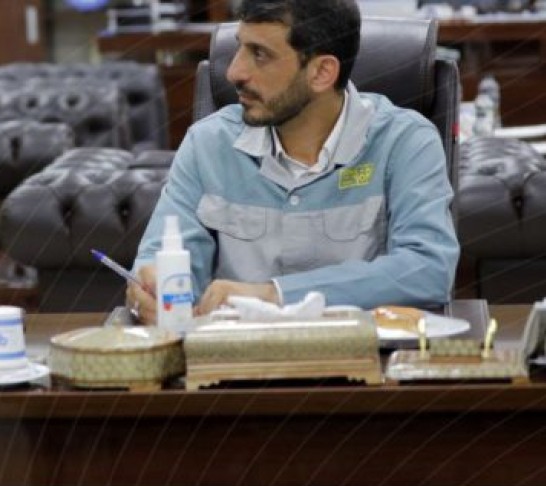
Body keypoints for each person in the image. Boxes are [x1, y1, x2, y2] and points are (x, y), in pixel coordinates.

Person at [127, 0, 458, 323]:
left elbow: (427, 269)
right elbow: (160, 261)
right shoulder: (207, 144)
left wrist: (276, 294)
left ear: (322, 72)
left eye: (260, 54)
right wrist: (151, 290)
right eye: (240, 47)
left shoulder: (405, 141)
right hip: (230, 356)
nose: (234, 72)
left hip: (365, 355)